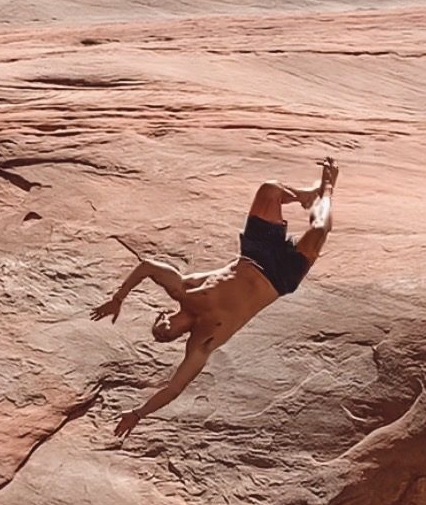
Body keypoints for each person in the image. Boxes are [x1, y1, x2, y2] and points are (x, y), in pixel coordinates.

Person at [95, 159, 338, 441]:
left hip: (254, 254)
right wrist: (138, 414)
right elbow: (174, 388)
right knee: (320, 229)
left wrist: (118, 298)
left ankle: (308, 195)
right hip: (278, 278)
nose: (160, 335)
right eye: (163, 339)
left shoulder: (183, 289)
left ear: (162, 315)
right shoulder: (202, 340)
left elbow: (148, 266)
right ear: (174, 337)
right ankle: (328, 190)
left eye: (157, 329)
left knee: (269, 190)